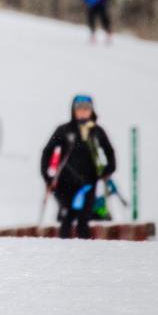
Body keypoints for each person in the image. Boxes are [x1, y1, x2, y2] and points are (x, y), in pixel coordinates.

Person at [39, 94, 116, 239]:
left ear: (91, 110)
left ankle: (83, 255)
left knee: (84, 220)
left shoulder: (96, 131)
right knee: (67, 217)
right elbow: (47, 151)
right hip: (65, 183)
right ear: (73, 110)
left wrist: (108, 169)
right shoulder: (64, 130)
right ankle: (64, 252)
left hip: (89, 182)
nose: (82, 111)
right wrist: (47, 176)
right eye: (79, 108)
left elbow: (110, 151)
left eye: (86, 108)